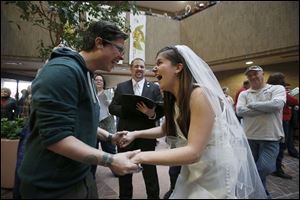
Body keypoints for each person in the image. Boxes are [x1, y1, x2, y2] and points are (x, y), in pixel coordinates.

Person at [119, 45, 267, 199]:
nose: (154, 69)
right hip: (193, 168)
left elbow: (194, 152)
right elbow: (164, 129)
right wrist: (134, 134)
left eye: (159, 63)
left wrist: (138, 157)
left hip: (214, 171)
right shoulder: (174, 98)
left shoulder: (199, 95)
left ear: (178, 68)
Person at [18, 20, 140, 199]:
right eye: (119, 49)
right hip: (51, 185)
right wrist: (110, 159)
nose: (122, 57)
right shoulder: (63, 71)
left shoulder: (87, 74)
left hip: (80, 175)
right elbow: (56, 138)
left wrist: (109, 137)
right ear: (99, 43)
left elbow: (80, 121)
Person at [109, 58, 164, 199]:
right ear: (130, 69)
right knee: (124, 172)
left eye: (142, 66)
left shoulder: (154, 88)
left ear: (144, 69)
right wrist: (128, 111)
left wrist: (151, 114)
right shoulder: (121, 87)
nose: (139, 69)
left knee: (150, 171)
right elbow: (112, 107)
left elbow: (161, 110)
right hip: (125, 135)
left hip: (147, 136)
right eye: (136, 66)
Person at [236, 66, 286, 198]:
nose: (252, 77)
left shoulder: (277, 89)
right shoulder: (244, 94)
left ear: (262, 74)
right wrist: (266, 107)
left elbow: (277, 105)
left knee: (264, 168)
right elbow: (240, 111)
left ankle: (248, 189)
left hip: (271, 137)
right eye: (249, 75)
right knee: (259, 174)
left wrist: (252, 105)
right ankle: (264, 196)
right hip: (250, 138)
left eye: (255, 74)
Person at [266, 73, 298, 179]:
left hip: (278, 119)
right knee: (281, 144)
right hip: (282, 119)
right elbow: (293, 101)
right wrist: (289, 95)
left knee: (278, 144)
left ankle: (275, 165)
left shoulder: (269, 89)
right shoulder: (279, 89)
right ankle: (277, 168)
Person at [91, 73, 117, 178]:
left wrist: (110, 102)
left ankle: (116, 170)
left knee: (110, 150)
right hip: (93, 127)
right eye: (96, 80)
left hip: (107, 126)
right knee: (92, 151)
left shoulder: (108, 93)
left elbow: (113, 107)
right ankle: (91, 173)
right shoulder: (90, 93)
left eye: (101, 80)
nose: (98, 81)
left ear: (103, 83)